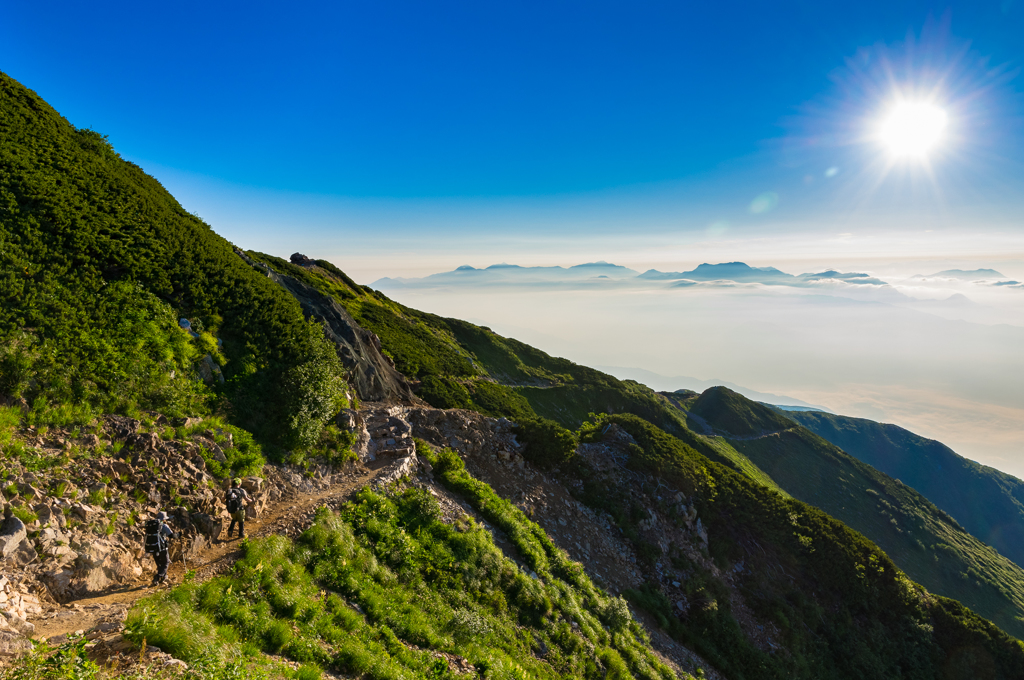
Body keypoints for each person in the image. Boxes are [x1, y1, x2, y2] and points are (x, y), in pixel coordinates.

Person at [146, 511, 176, 585]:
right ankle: (157, 578)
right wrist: (178, 534)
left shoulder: (152, 526)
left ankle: (163, 577)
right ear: (164, 519)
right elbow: (172, 536)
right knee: (165, 563)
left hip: (153, 547)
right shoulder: (164, 526)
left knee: (159, 564)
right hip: (162, 548)